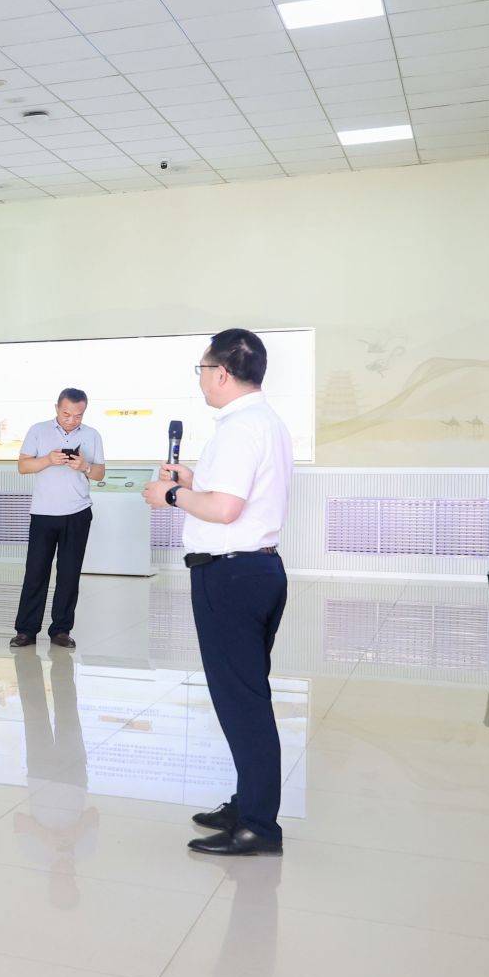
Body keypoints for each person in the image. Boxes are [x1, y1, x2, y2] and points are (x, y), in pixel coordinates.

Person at [144, 330, 293, 856]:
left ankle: (258, 825)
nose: (202, 378)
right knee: (245, 696)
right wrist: (193, 479)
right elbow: (234, 493)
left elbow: (226, 509)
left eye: (203, 369)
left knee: (242, 703)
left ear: (222, 373)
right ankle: (247, 803)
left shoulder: (238, 428)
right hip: (257, 571)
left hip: (230, 577)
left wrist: (171, 494)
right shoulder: (265, 421)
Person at [12, 387, 105, 649]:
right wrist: (48, 460)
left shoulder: (92, 435)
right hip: (43, 513)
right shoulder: (38, 430)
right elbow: (22, 466)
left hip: (77, 513)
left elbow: (100, 473)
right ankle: (26, 630)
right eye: (66, 414)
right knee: (35, 573)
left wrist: (84, 466)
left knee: (69, 574)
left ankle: (61, 630)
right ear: (57, 408)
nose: (72, 420)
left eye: (78, 415)